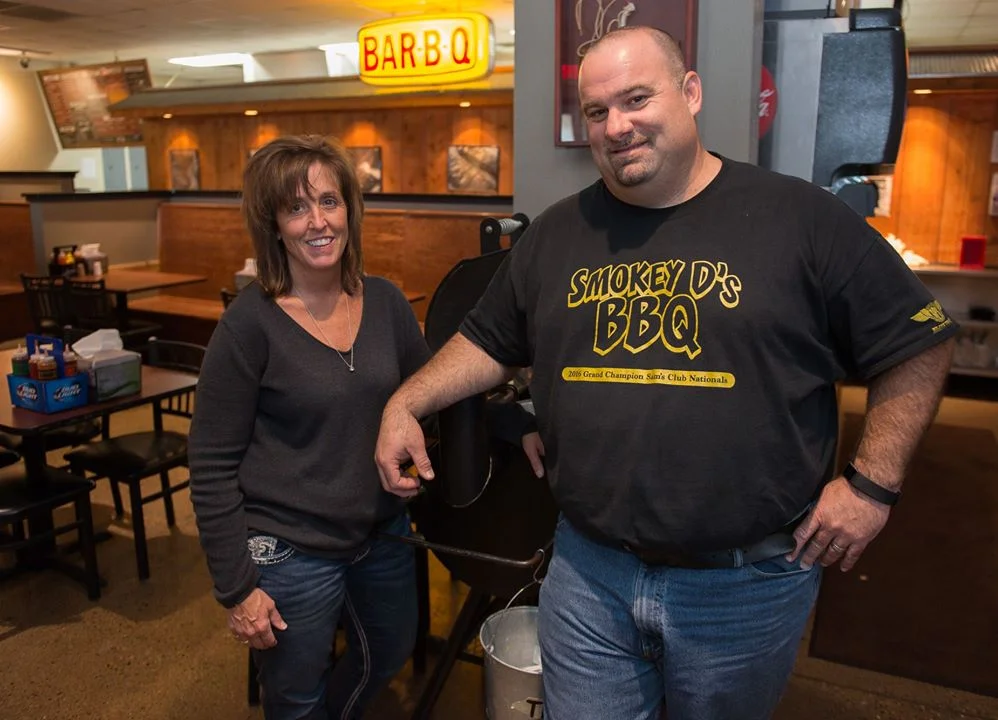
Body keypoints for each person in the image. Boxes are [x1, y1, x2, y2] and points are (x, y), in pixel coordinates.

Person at [374, 25, 957, 720]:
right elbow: (489, 340)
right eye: (597, 111)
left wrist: (872, 487)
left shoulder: (799, 219)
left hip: (743, 586)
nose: (617, 126)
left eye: (637, 99)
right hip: (589, 572)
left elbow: (918, 342)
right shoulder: (555, 238)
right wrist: (406, 402)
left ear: (691, 93)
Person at [189, 134, 429, 719]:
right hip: (287, 549)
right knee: (295, 695)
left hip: (381, 535)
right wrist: (237, 588)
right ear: (273, 224)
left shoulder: (388, 302)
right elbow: (211, 463)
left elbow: (431, 391)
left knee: (390, 650)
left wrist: (511, 423)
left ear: (351, 209)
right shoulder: (250, 324)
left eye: (329, 201)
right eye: (296, 207)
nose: (317, 221)